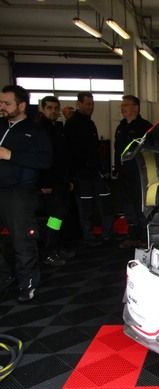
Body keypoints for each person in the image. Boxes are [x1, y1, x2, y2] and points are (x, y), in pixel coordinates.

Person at [0, 85, 52, 302]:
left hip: (20, 194)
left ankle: (27, 284)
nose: (2, 107)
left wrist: (11, 155)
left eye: (7, 103)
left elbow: (45, 161)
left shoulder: (35, 131)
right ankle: (4, 277)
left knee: (22, 241)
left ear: (21, 105)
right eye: (0, 103)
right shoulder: (1, 126)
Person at [64, 92, 113, 245]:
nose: (90, 107)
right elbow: (69, 151)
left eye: (92, 104)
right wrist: (71, 176)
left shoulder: (90, 123)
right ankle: (87, 236)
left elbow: (94, 149)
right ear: (79, 104)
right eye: (87, 104)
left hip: (95, 172)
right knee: (85, 207)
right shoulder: (72, 124)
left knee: (105, 202)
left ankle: (106, 234)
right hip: (81, 174)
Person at [37, 96, 74, 266]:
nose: (53, 111)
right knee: (54, 218)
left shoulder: (57, 128)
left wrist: (68, 180)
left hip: (61, 181)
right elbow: (41, 159)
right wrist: (44, 183)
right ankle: (48, 251)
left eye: (55, 108)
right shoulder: (40, 129)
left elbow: (63, 156)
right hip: (50, 184)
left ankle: (56, 247)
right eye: (49, 108)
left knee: (59, 217)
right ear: (43, 109)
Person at [114, 95, 152, 248]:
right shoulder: (121, 127)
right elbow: (117, 150)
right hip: (124, 174)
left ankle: (144, 236)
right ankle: (132, 235)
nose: (123, 108)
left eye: (126, 105)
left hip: (139, 174)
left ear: (135, 108)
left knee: (140, 205)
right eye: (122, 105)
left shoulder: (145, 127)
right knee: (128, 205)